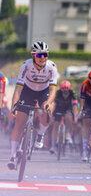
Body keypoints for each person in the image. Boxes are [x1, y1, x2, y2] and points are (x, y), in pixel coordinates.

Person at [7, 41, 58, 170]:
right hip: (27, 91)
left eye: (45, 54)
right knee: (19, 123)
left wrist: (48, 103)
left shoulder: (52, 67)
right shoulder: (26, 66)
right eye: (39, 55)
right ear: (33, 55)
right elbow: (18, 89)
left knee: (48, 109)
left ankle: (40, 134)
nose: (43, 57)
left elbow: (53, 90)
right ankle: (12, 156)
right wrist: (14, 107)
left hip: (44, 92)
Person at [49, 80, 79, 154]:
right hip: (59, 108)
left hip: (68, 108)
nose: (65, 93)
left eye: (66, 92)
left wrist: (75, 115)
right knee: (55, 125)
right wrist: (51, 114)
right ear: (61, 90)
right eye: (63, 92)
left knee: (68, 117)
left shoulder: (73, 93)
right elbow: (53, 104)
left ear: (69, 90)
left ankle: (68, 134)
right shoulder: (58, 93)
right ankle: (53, 145)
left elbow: (75, 105)